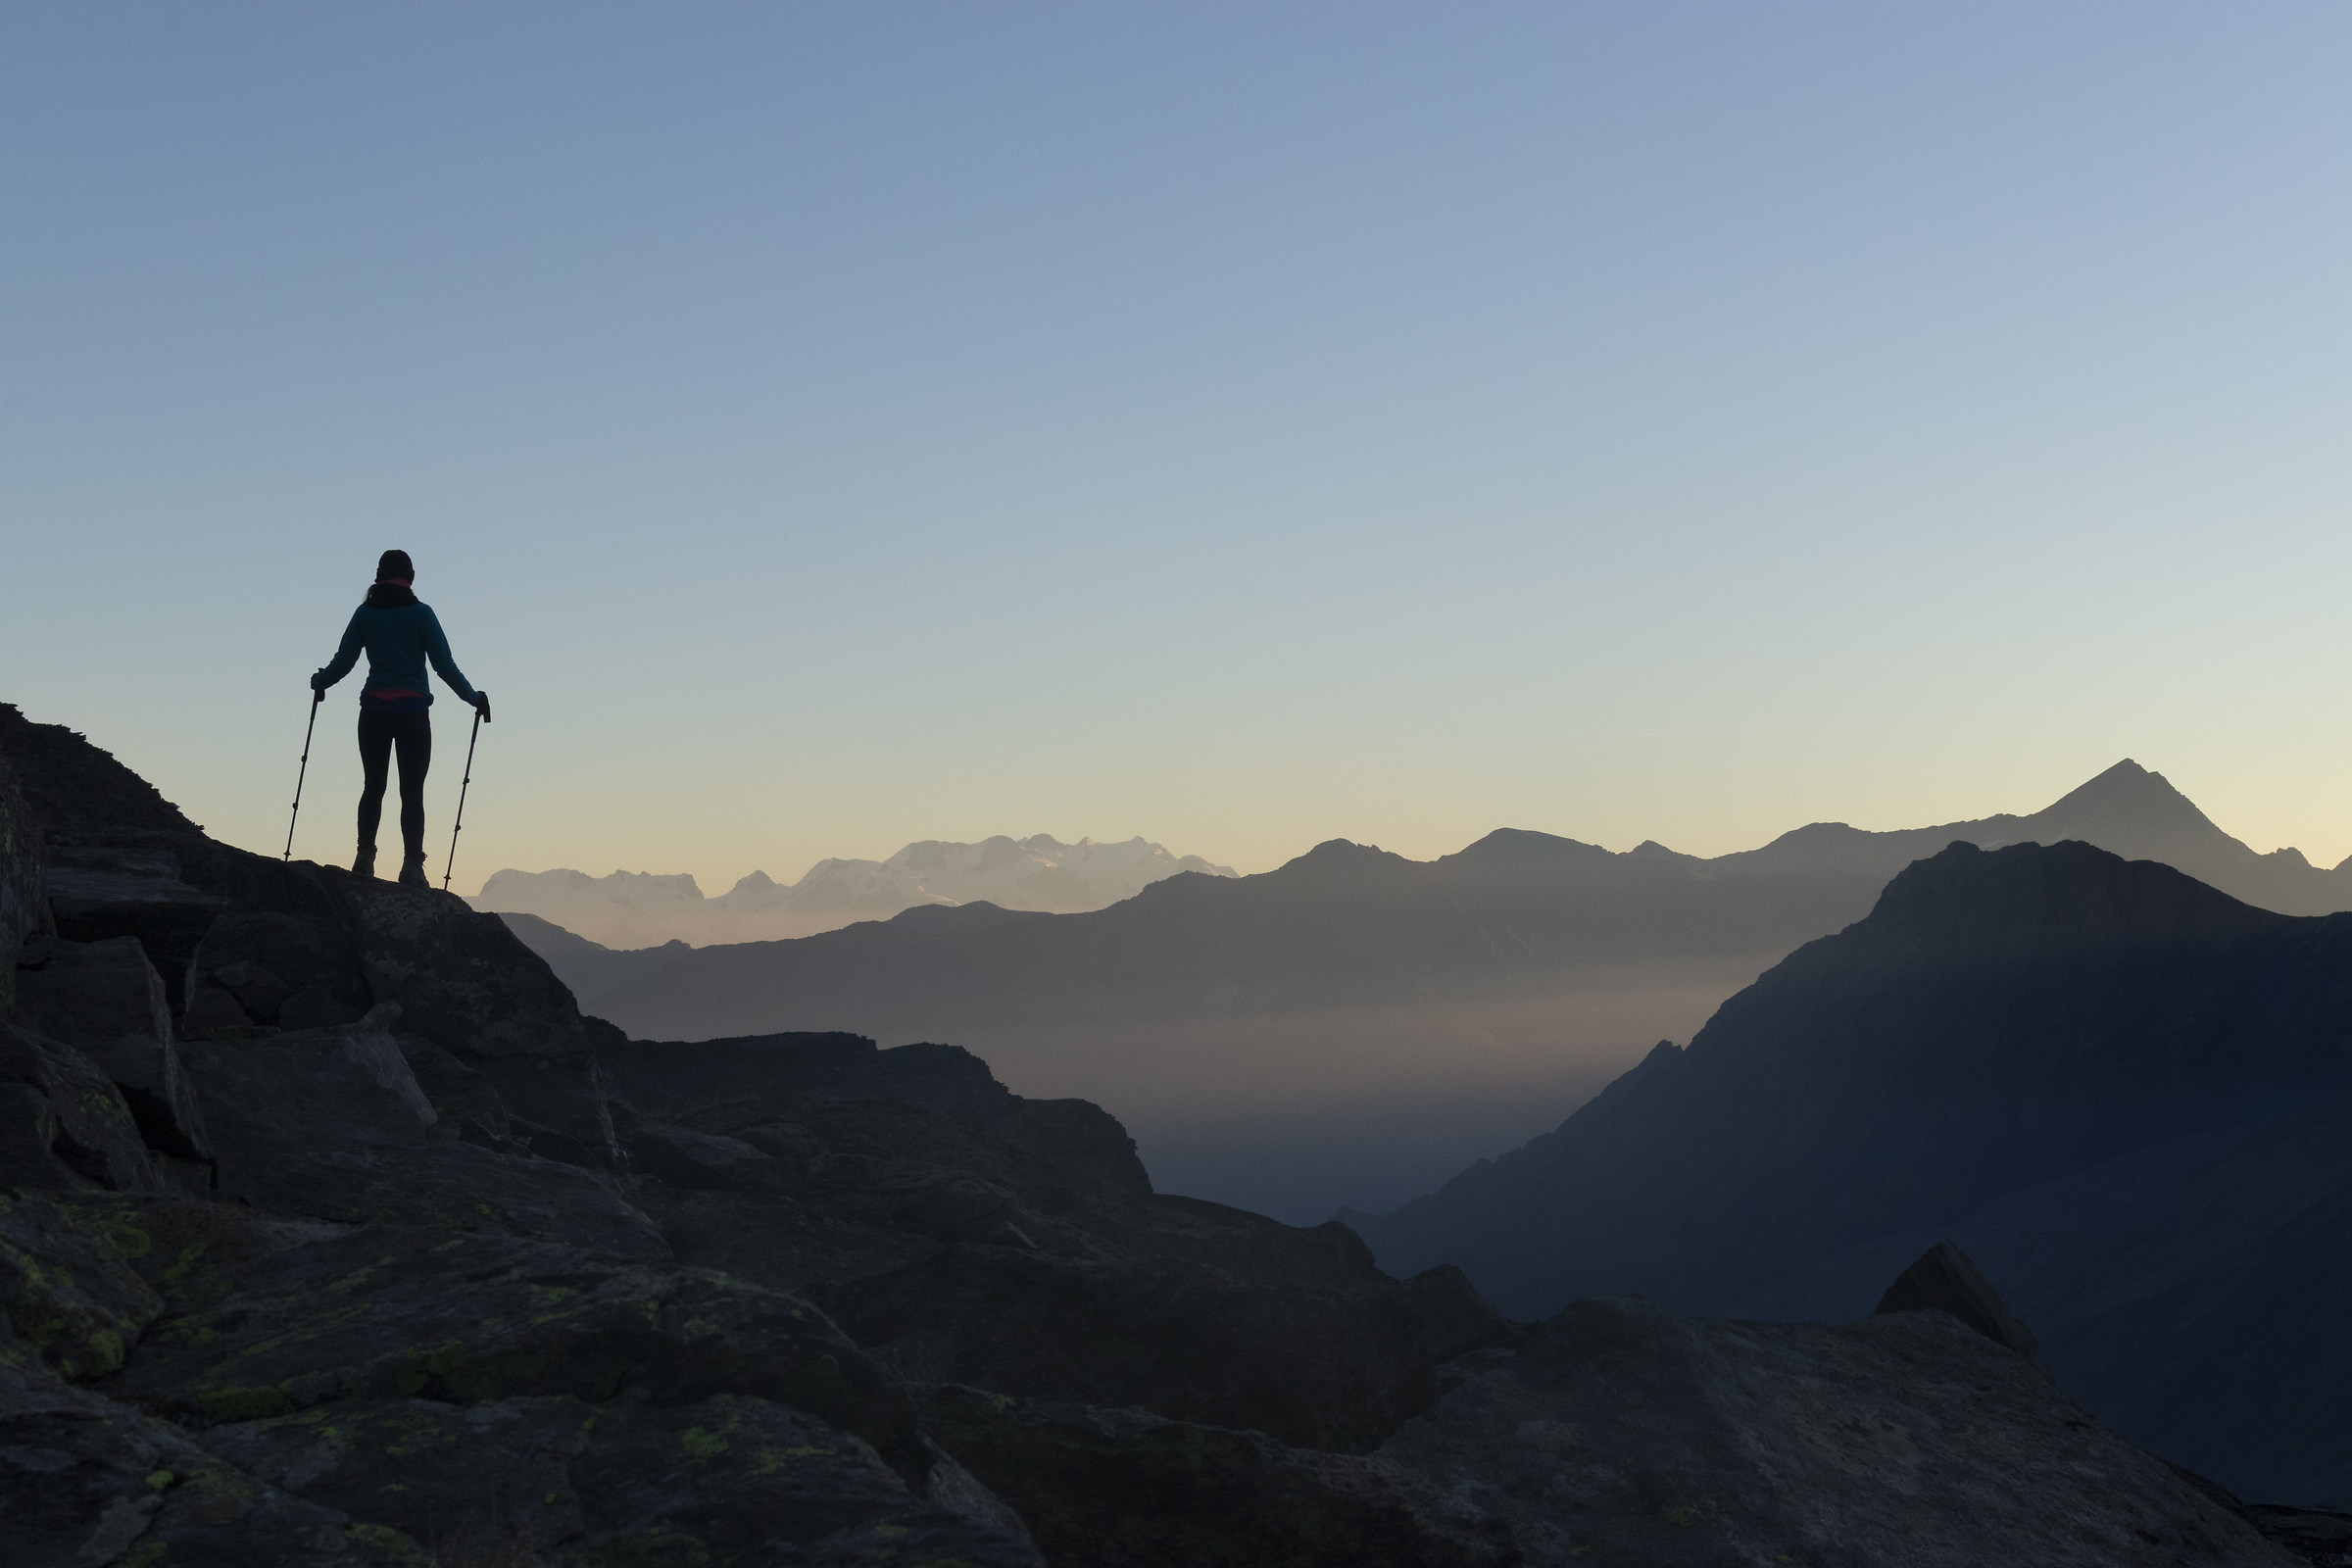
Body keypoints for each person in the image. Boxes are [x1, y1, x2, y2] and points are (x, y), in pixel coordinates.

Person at [311, 549, 491, 886]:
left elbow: (344, 661)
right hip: (413, 714)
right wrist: (474, 698)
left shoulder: (365, 614)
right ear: (409, 577)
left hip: (374, 711)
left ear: (379, 575)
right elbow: (444, 665)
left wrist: (320, 682)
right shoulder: (422, 614)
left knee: (373, 787)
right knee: (412, 791)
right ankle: (412, 865)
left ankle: (364, 857)